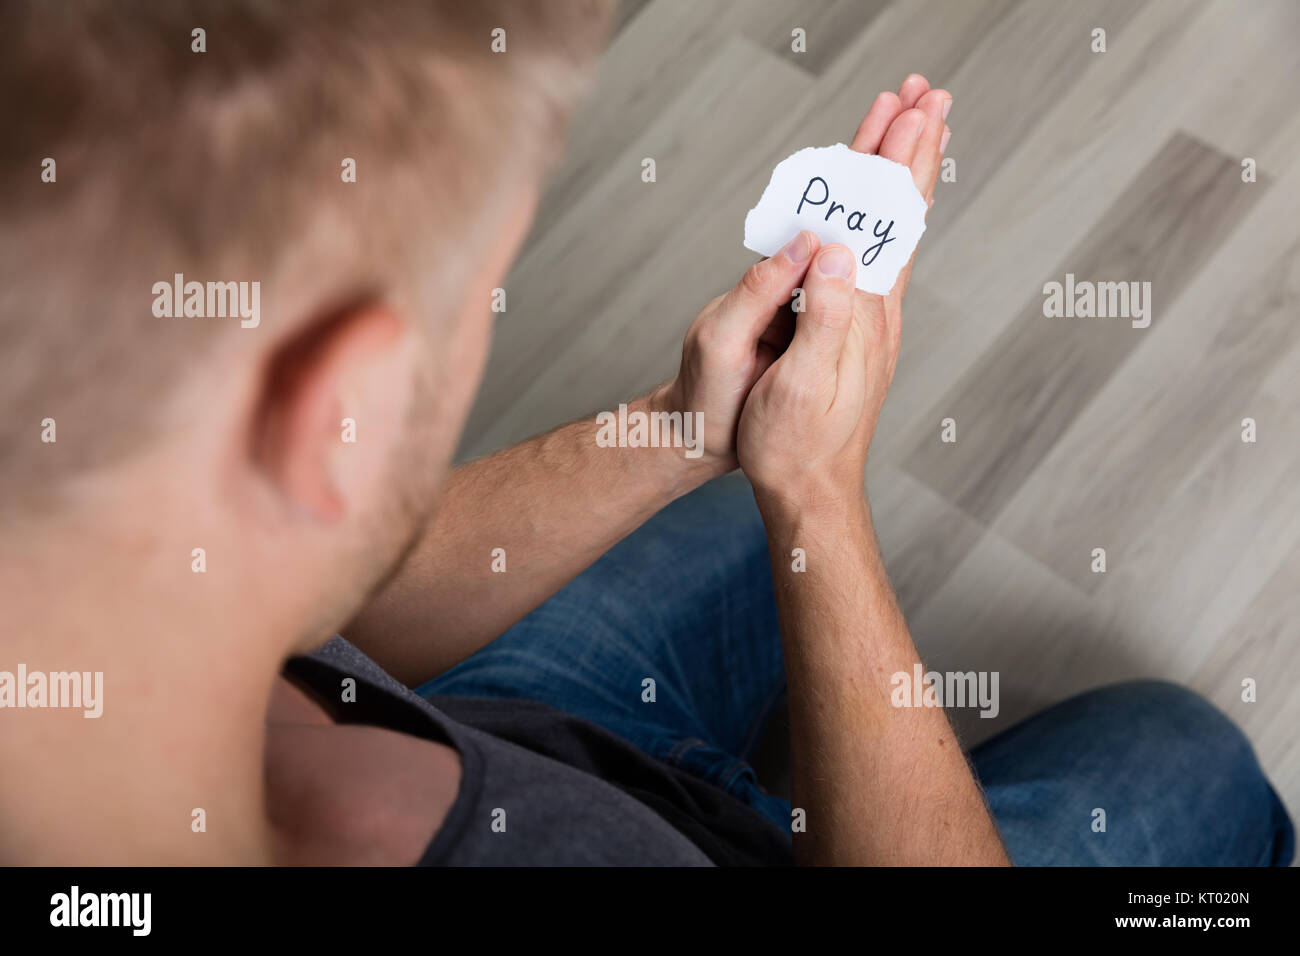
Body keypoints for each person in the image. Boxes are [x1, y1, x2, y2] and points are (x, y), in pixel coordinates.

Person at [1, 0, 1291, 867]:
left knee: (725, 519)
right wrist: (821, 500)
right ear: (330, 413)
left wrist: (692, 425)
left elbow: (336, 630)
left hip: (504, 729)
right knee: (1189, 758)